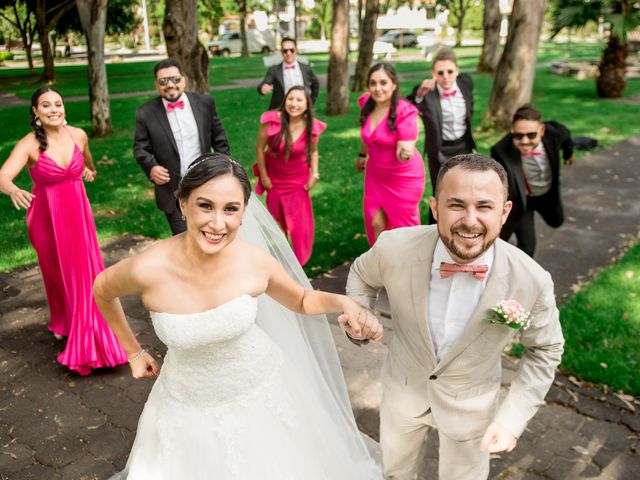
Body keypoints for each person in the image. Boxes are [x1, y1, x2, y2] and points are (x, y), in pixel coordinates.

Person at [94, 153, 384, 479]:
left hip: (263, 391)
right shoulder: (148, 268)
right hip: (185, 404)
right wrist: (133, 351)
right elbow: (102, 290)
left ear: (244, 213)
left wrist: (345, 303)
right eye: (205, 206)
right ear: (183, 204)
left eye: (230, 209)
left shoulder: (254, 262)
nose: (218, 224)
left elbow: (302, 300)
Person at [346, 154, 564, 479]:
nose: (470, 220)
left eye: (485, 206)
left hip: (473, 410)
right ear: (435, 208)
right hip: (402, 392)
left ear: (505, 212)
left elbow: (545, 349)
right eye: (457, 205)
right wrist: (360, 316)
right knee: (394, 472)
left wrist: (511, 418)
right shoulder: (394, 246)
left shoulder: (531, 280)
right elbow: (362, 276)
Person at [0, 87, 127, 375]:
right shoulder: (30, 144)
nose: (54, 109)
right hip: (46, 219)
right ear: (36, 112)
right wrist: (13, 189)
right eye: (46, 105)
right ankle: (64, 322)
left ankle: (89, 334)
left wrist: (89, 170)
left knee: (83, 275)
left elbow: (87, 158)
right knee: (57, 274)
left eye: (58, 103)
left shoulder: (78, 135)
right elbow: (3, 175)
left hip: (77, 217)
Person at [134, 58, 231, 235]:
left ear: (184, 80)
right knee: (183, 239)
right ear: (157, 85)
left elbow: (220, 140)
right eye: (163, 81)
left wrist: (223, 170)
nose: (170, 84)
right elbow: (140, 148)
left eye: (175, 79)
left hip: (205, 182)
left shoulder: (205, 103)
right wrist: (151, 167)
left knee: (210, 234)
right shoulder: (145, 112)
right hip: (172, 190)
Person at [254, 86, 326, 266]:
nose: (294, 104)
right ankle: (281, 265)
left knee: (300, 227)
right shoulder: (272, 122)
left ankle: (298, 265)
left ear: (307, 104)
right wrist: (263, 177)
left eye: (299, 100)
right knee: (278, 227)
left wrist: (314, 174)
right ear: (285, 100)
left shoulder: (311, 126)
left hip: (298, 182)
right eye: (290, 99)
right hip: (275, 182)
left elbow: (314, 151)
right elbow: (259, 149)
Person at [491, 104, 575, 257]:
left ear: (542, 131)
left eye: (531, 135)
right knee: (527, 247)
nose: (524, 141)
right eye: (518, 135)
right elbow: (496, 183)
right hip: (523, 200)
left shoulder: (555, 133)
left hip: (547, 194)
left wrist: (568, 154)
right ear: (512, 131)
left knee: (557, 221)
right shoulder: (500, 151)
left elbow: (567, 136)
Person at [356, 62, 425, 246]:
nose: (378, 88)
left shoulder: (405, 112)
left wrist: (405, 152)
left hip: (402, 178)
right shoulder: (366, 103)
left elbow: (405, 149)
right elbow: (368, 136)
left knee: (404, 232)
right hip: (375, 176)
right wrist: (362, 155)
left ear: (394, 84)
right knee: (376, 223)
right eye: (373, 83)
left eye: (383, 83)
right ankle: (383, 266)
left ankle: (410, 268)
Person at [407, 48, 476, 222]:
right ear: (433, 73)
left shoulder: (466, 83)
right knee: (442, 191)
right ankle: (435, 227)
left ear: (457, 71)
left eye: (450, 71)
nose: (445, 76)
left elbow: (470, 108)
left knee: (465, 188)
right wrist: (420, 93)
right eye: (440, 72)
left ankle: (460, 222)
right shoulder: (425, 92)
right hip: (439, 149)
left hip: (463, 145)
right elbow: (405, 106)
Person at [257, 37, 320, 110]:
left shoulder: (306, 68)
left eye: (291, 50)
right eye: (285, 50)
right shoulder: (274, 70)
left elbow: (316, 84)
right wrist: (263, 88)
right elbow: (264, 83)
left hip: (301, 110)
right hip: (281, 110)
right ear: (281, 52)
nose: (288, 53)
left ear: (296, 50)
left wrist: (310, 103)